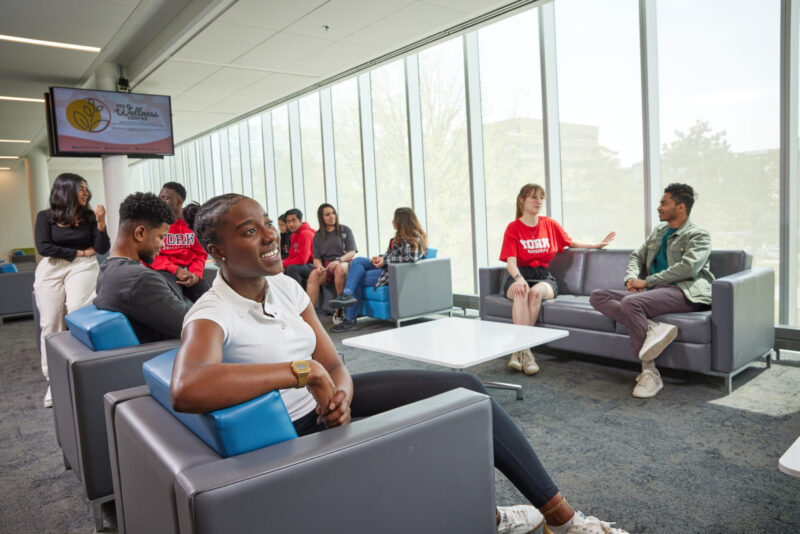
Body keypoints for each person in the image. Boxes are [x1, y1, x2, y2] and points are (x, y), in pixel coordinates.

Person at [172, 193, 630, 534]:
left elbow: (334, 363)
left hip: (328, 408)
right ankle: (518, 520)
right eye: (250, 231)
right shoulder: (212, 312)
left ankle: (553, 518)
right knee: (432, 429)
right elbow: (187, 387)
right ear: (218, 251)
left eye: (268, 223)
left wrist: (341, 397)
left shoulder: (288, 289)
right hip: (294, 437)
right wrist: (302, 373)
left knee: (466, 390)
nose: (270, 235)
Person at [589, 183, 712, 398]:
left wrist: (647, 283)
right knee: (598, 295)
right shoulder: (659, 232)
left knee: (631, 303)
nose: (659, 207)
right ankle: (652, 327)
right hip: (655, 292)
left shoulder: (698, 235)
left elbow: (689, 267)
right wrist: (631, 278)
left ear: (680, 207)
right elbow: (637, 255)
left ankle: (649, 372)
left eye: (664, 203)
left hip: (684, 291)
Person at [501, 184, 615, 375]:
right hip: (519, 276)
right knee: (523, 292)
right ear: (522, 200)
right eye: (534, 197)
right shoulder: (513, 228)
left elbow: (571, 242)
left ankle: (518, 350)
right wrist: (519, 279)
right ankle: (526, 351)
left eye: (541, 198)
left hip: (544, 277)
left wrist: (595, 245)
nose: (539, 202)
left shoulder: (549, 224)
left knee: (535, 292)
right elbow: (510, 262)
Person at [34, 173, 109, 408]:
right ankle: (54, 381)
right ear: (66, 190)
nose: (86, 192)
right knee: (51, 324)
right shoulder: (45, 217)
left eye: (87, 188)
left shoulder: (89, 217)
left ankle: (85, 372)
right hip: (53, 267)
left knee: (77, 311)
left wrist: (101, 224)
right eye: (81, 188)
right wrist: (78, 252)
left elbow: (100, 247)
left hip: (83, 266)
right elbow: (45, 247)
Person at [94, 192, 192, 342]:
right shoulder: (139, 279)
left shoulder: (107, 269)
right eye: (161, 237)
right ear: (140, 233)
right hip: (165, 356)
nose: (163, 245)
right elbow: (195, 326)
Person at [328, 207, 425, 333]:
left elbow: (410, 258)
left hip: (393, 273)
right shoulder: (398, 237)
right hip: (386, 266)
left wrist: (384, 261)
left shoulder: (413, 237)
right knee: (358, 261)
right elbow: (391, 255)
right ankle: (347, 295)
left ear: (402, 221)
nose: (392, 222)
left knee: (356, 279)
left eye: (394, 219)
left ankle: (349, 318)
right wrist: (379, 258)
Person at [147, 182, 209, 302]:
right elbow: (150, 256)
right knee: (174, 301)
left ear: (179, 202)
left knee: (209, 300)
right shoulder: (154, 223)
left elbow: (200, 254)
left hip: (188, 271)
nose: (161, 201)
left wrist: (196, 275)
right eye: (160, 197)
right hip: (164, 270)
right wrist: (176, 270)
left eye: (166, 198)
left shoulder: (192, 222)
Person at [306, 203, 357, 324]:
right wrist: (319, 267)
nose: (331, 216)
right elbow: (316, 259)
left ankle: (340, 309)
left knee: (340, 268)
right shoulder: (318, 235)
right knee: (313, 274)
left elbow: (352, 253)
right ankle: (308, 315)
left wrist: (338, 260)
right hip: (327, 266)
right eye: (327, 214)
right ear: (322, 218)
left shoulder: (345, 230)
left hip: (344, 262)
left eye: (333, 213)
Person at [282, 208, 315, 289]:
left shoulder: (306, 234)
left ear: (300, 221)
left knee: (292, 268)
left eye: (293, 220)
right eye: (288, 221)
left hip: (316, 265)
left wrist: (282, 264)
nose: (290, 224)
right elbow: (292, 256)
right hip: (305, 265)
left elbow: (302, 260)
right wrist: (281, 262)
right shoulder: (293, 235)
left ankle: (299, 297)